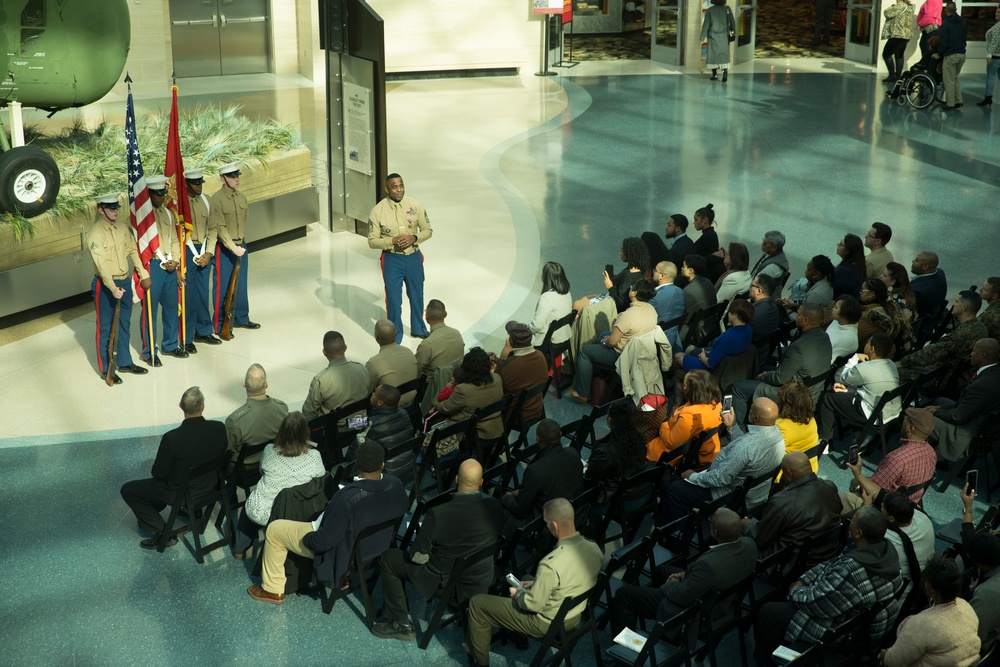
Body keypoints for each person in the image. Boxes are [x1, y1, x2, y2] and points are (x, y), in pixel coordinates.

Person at [248, 440, 409, 603]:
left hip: (343, 554)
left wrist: (306, 539)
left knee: (275, 530)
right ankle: (344, 578)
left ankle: (272, 589)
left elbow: (322, 542)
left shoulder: (347, 498)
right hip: (375, 547)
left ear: (357, 464)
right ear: (382, 464)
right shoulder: (396, 485)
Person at [372, 459, 505, 641]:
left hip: (444, 579)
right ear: (481, 483)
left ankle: (400, 623)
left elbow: (418, 557)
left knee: (388, 559)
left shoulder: (438, 513)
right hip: (480, 576)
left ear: (457, 479)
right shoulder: (496, 507)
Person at [753, 507, 903, 665]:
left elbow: (817, 603)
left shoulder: (852, 570)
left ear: (858, 533)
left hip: (842, 633)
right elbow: (832, 563)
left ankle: (766, 663)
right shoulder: (885, 553)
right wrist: (804, 580)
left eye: (853, 520)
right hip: (856, 622)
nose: (849, 521)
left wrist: (795, 590)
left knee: (768, 612)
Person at [465, 498, 603, 667]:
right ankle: (517, 633)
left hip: (546, 622)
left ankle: (480, 664)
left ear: (554, 525)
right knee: (527, 580)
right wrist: (534, 585)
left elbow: (533, 605)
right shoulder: (594, 548)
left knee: (478, 604)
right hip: (573, 615)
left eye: (546, 524)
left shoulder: (551, 564)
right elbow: (570, 579)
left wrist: (519, 594)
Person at [612, 508, 757, 634]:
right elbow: (707, 575)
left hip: (694, 611)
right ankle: (662, 625)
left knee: (624, 595)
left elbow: (683, 596)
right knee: (661, 570)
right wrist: (683, 575)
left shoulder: (708, 566)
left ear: (715, 532)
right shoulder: (749, 544)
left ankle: (622, 649)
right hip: (718, 594)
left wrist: (673, 583)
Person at [119, 387, 226, 548]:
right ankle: (189, 512)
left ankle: (163, 532)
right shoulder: (219, 428)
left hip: (181, 494)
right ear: (203, 406)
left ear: (180, 406)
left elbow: (158, 474)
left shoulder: (172, 438)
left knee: (129, 490)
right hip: (211, 487)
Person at [660, 397, 785, 523]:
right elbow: (747, 451)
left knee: (674, 490)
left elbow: (719, 479)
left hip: (730, 498)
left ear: (756, 416)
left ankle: (671, 538)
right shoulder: (778, 436)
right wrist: (733, 427)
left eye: (751, 408)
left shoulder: (745, 447)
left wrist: (692, 476)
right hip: (756, 496)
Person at [232, 412, 325, 559]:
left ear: (281, 432)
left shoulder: (269, 450)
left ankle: (239, 550)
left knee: (249, 509)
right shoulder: (314, 456)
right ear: (305, 434)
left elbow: (261, 470)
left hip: (263, 511)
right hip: (296, 514)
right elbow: (320, 478)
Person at [729, 304, 832, 427]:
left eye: (798, 314)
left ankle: (740, 432)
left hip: (794, 396)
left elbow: (780, 378)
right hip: (813, 392)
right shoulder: (825, 337)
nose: (795, 317)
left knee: (738, 388)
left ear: (806, 320)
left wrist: (763, 376)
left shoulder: (798, 347)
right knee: (764, 368)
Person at [87, 193, 150, 384]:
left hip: (124, 281)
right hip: (106, 285)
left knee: (124, 323)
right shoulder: (95, 234)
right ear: (100, 209)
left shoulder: (122, 228)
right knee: (105, 327)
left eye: (116, 207)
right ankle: (106, 368)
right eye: (110, 207)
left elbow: (132, 251)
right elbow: (101, 263)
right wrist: (112, 287)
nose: (115, 211)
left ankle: (124, 361)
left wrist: (143, 273)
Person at [367, 173, 433, 343]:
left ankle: (419, 328)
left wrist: (414, 238)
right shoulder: (377, 211)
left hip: (413, 257)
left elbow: (428, 230)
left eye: (401, 185)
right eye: (394, 187)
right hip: (392, 259)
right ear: (387, 189)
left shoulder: (415, 205)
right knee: (394, 299)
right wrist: (392, 241)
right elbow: (372, 241)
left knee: (417, 294)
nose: (399, 190)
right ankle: (395, 334)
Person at [880, 556, 981, 667]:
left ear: (933, 592)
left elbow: (894, 661)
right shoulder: (967, 607)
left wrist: (885, 655)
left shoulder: (920, 624)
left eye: (926, 582)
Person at [745, 452, 841, 565]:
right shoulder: (830, 486)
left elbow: (760, 539)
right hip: (825, 553)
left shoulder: (782, 501)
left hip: (786, 562)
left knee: (731, 529)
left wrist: (746, 525)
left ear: (789, 474)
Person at [569, 280, 658, 404]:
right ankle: (592, 374)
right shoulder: (651, 310)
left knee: (585, 351)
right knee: (602, 335)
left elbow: (612, 342)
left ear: (634, 293)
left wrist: (606, 341)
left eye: (632, 287)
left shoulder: (627, 316)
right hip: (638, 350)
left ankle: (582, 392)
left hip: (621, 355)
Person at [842, 407, 937, 511]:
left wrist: (858, 475)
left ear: (910, 428)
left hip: (886, 508)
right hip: (910, 506)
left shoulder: (897, 458)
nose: (903, 421)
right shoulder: (931, 452)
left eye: (905, 418)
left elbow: (874, 493)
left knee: (848, 490)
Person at [817, 333, 901, 443]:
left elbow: (843, 378)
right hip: (892, 414)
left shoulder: (864, 368)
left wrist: (855, 357)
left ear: (871, 349)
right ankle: (858, 437)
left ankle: (823, 442)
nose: (865, 344)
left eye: (867, 343)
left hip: (873, 416)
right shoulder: (891, 365)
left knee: (829, 398)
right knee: (848, 399)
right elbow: (872, 389)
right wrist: (847, 390)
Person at [928, 337, 1000, 461]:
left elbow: (958, 417)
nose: (971, 354)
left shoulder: (982, 385)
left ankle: (930, 460)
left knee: (914, 418)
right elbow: (965, 404)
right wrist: (939, 408)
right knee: (939, 401)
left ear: (983, 355)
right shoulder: (994, 373)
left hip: (967, 432)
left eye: (973, 351)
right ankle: (937, 454)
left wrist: (934, 412)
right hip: (980, 419)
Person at [139, 175, 186, 365]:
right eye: (158, 194)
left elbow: (175, 240)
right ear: (149, 195)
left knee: (170, 309)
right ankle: (149, 351)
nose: (162, 197)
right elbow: (138, 246)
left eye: (163, 193)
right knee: (150, 313)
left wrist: (175, 260)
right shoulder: (142, 218)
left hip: (169, 267)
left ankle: (170, 344)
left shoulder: (167, 214)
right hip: (153, 267)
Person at [500, 420, 584, 525]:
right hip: (574, 515)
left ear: (538, 440)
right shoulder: (573, 453)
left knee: (497, 511)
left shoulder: (535, 470)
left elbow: (519, 510)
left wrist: (508, 498)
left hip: (545, 524)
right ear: (561, 435)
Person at [896, 290, 987, 384]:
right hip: (955, 375)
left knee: (896, 372)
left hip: (944, 379)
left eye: (956, 301)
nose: (953, 304)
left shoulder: (962, 332)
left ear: (964, 307)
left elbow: (933, 352)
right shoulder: (980, 326)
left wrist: (903, 362)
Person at [211, 162, 259, 333]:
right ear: (222, 179)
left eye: (237, 175)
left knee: (241, 283)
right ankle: (218, 324)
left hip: (240, 244)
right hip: (224, 247)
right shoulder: (216, 199)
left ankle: (241, 317)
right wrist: (232, 246)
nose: (236, 179)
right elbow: (220, 227)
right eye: (232, 176)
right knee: (222, 286)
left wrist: (239, 245)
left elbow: (243, 217)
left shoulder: (241, 197)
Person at [432, 347, 505, 453]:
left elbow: (445, 408)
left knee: (435, 418)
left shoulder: (463, 390)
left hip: (474, 433)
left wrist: (435, 402)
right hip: (496, 428)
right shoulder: (497, 379)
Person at [647, 369, 723, 465]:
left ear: (693, 391)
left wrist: (663, 426)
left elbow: (672, 443)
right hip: (708, 452)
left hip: (680, 455)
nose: (684, 387)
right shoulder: (717, 404)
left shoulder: (690, 417)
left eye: (685, 385)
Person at [182, 167, 220, 351]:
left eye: (200, 183)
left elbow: (213, 228)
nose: (199, 186)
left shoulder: (207, 201)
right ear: (186, 184)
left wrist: (209, 253)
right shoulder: (179, 204)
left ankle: (203, 331)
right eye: (195, 183)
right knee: (188, 297)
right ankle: (187, 337)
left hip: (204, 249)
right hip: (187, 251)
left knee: (202, 293)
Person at [225, 363, 289, 467]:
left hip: (247, 470)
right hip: (276, 462)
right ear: (266, 384)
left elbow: (227, 452)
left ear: (244, 384)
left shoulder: (235, 421)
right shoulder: (282, 408)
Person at [585, 400, 648, 504]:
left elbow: (590, 480)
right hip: (638, 490)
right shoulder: (639, 439)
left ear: (610, 420)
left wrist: (592, 465)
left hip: (613, 497)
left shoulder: (606, 451)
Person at [961, 487, 1000, 653]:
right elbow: (970, 540)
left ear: (981, 565)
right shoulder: (993, 554)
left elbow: (970, 638)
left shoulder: (987, 594)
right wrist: (968, 508)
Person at [301, 331, 370, 423]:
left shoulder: (321, 380)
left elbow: (308, 413)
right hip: (361, 424)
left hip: (337, 430)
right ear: (345, 348)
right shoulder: (362, 370)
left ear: (324, 352)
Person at [674, 298, 753, 374]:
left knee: (678, 356)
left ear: (735, 315)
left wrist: (702, 356)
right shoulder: (748, 330)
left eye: (730, 312)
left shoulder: (730, 339)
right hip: (726, 365)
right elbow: (725, 351)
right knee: (680, 372)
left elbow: (710, 364)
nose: (728, 314)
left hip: (712, 370)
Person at [878, 492, 935, 594]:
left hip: (895, 593)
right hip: (918, 585)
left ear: (891, 519)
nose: (880, 508)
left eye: (882, 508)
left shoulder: (886, 539)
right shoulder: (924, 519)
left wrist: (866, 505)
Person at [495, 321, 549, 427]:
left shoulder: (507, 367)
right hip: (536, 409)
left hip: (514, 415)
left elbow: (495, 389)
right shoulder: (540, 356)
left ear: (510, 341)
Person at [365, 384, 417, 480]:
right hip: (407, 465)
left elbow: (355, 454)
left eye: (374, 394)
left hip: (386, 472)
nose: (372, 394)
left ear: (380, 402)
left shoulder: (372, 424)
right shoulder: (405, 414)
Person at [365, 319, 419, 403]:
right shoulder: (408, 352)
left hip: (387, 410)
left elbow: (367, 391)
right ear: (396, 334)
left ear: (376, 337)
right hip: (412, 405)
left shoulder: (373, 363)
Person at [775, 380, 819, 472]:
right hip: (810, 469)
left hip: (787, 475)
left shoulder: (780, 426)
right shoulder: (811, 420)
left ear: (785, 402)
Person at [858, 278, 912, 352]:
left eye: (862, 290)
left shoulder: (869, 315)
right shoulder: (891, 308)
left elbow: (856, 338)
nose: (860, 292)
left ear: (871, 294)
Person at [415, 299, 465, 377]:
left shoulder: (427, 344)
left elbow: (416, 370)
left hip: (433, 386)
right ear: (445, 314)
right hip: (457, 379)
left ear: (426, 316)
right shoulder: (456, 333)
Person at [529, 261, 573, 347]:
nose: (541, 275)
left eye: (543, 274)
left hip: (547, 341)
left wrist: (524, 330)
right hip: (563, 336)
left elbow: (537, 326)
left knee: (511, 333)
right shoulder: (566, 292)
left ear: (546, 278)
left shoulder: (546, 298)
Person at [934, 2, 967, 111]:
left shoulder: (946, 23)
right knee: (956, 78)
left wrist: (939, 53)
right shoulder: (963, 22)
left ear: (946, 11)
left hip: (951, 55)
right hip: (962, 54)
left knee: (949, 80)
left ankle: (950, 104)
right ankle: (959, 101)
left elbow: (943, 41)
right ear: (956, 9)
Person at [649, 261, 686, 351]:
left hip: (656, 342)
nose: (653, 272)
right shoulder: (681, 292)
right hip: (674, 339)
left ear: (662, 276)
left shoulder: (654, 298)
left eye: (655, 270)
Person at [749, 273, 784, 366]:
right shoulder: (775, 309)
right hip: (762, 355)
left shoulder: (752, 314)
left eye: (752, 285)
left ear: (759, 291)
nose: (749, 287)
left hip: (746, 358)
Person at [910, 251, 947, 335]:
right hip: (932, 318)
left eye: (916, 260)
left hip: (920, 329)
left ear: (925, 267)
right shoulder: (940, 272)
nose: (912, 261)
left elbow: (910, 312)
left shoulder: (919, 291)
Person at [700, 0, 736, 82]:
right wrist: (734, 33)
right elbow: (732, 22)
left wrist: (702, 38)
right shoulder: (727, 9)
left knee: (713, 55)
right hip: (724, 36)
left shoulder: (710, 10)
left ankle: (715, 75)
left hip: (713, 36)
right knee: (724, 55)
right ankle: (725, 74)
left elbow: (706, 25)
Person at [881, 0, 916, 82]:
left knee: (886, 54)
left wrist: (893, 5)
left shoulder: (899, 6)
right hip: (906, 35)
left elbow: (886, 13)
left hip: (898, 35)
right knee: (899, 55)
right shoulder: (909, 7)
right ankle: (898, 76)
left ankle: (892, 75)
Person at [826, 295, 861, 362]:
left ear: (844, 314)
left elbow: (829, 361)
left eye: (836, 307)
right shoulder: (837, 321)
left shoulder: (849, 339)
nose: (832, 309)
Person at [977, 4, 1000, 106]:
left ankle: (988, 97)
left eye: (999, 12)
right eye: (996, 11)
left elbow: (994, 41)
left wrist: (989, 54)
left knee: (990, 77)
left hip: (995, 56)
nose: (996, 13)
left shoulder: (998, 27)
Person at [834, 233, 866, 299]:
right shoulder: (859, 266)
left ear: (848, 250)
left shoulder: (843, 271)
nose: (838, 245)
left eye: (841, 244)